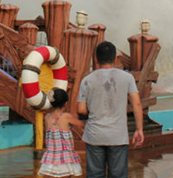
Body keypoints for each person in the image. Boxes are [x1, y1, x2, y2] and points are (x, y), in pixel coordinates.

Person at [77, 41, 143, 178]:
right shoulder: (127, 78)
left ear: (96, 59)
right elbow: (137, 104)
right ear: (115, 59)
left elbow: (81, 109)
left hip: (95, 135)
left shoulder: (87, 80)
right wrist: (139, 129)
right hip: (117, 136)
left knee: (95, 175)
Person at [38, 88, 84, 177]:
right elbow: (81, 124)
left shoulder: (47, 117)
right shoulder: (66, 116)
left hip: (51, 156)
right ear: (65, 104)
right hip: (65, 156)